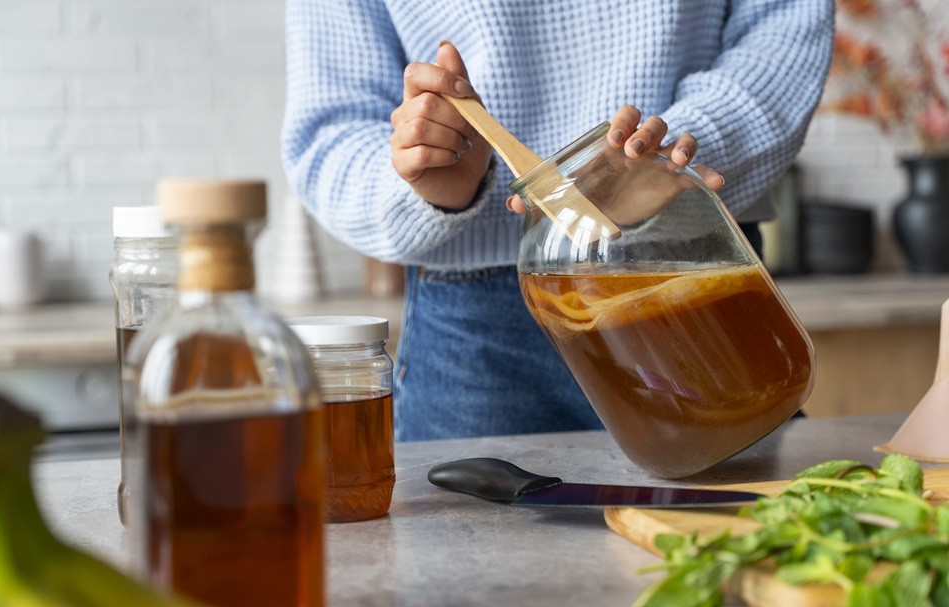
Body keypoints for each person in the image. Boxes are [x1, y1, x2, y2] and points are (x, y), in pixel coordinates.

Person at [281, 1, 835, 442]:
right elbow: (330, 134)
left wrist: (671, 158)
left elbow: (784, 28)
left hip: (693, 264)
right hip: (476, 340)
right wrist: (432, 179)